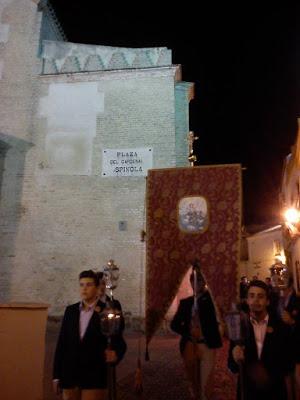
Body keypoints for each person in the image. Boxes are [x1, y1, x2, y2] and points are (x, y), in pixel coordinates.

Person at [53, 270, 126, 400]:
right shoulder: (71, 311)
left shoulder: (106, 311)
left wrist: (115, 354)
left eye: (89, 285)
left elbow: (119, 341)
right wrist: (56, 376)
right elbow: (62, 344)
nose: (84, 289)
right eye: (81, 285)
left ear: (97, 288)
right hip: (70, 375)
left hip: (94, 375)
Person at [228, 280, 294, 400]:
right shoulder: (239, 326)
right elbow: (232, 366)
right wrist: (234, 356)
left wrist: (268, 373)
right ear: (247, 300)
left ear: (267, 301)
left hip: (275, 392)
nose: (255, 300)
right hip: (248, 392)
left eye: (260, 296)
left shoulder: (280, 327)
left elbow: (289, 364)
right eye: (251, 296)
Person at [170, 262, 222, 400]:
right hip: (189, 345)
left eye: (199, 280)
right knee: (193, 383)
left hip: (207, 344)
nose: (196, 283)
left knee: (206, 385)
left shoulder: (212, 301)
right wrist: (187, 332)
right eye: (193, 280)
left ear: (205, 281)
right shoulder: (185, 303)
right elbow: (174, 324)